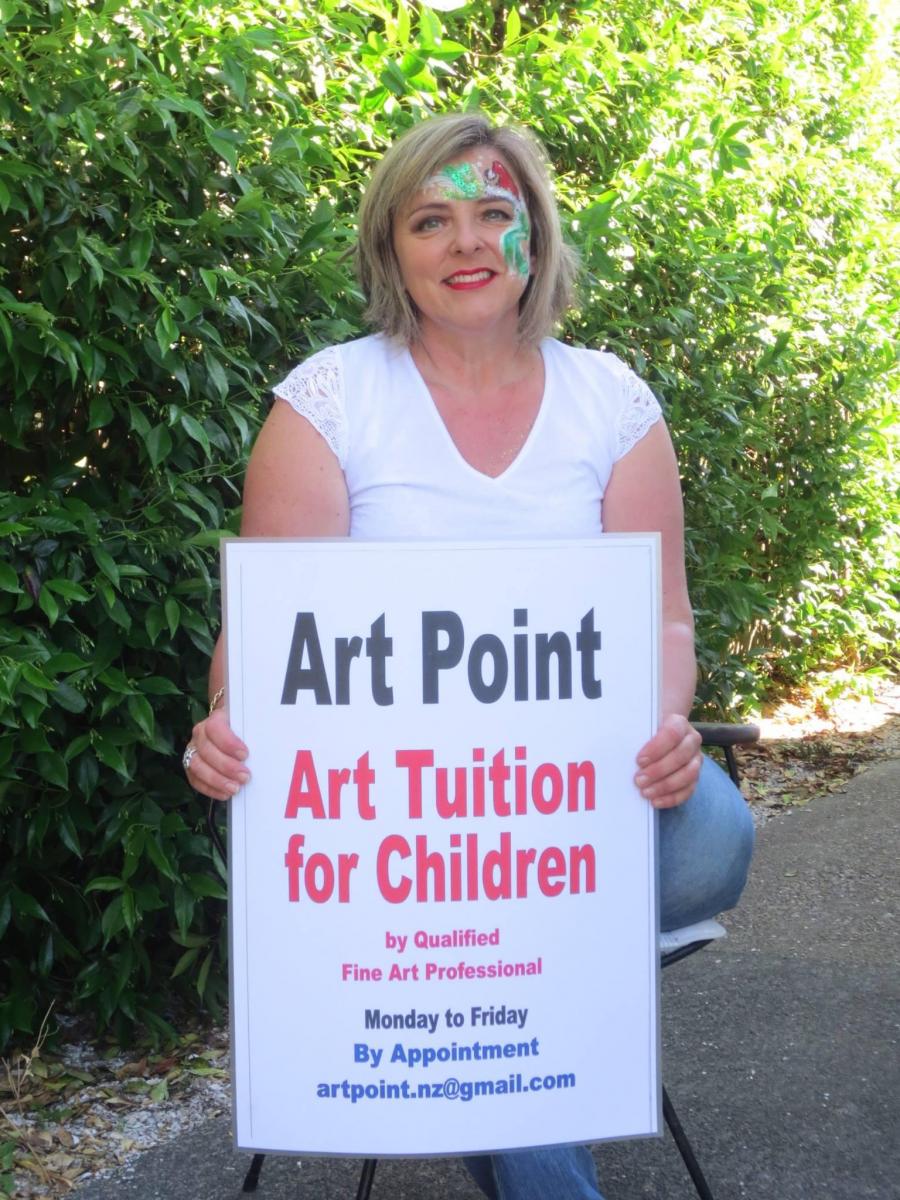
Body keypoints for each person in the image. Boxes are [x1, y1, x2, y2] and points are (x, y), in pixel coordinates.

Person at [182, 112, 754, 1200]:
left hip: (573, 799)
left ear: (535, 234)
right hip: (393, 823)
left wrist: (667, 725)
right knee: (528, 940)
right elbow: (266, 633)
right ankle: (521, 1023)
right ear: (390, 249)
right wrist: (223, 721)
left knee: (714, 832)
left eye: (494, 212)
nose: (467, 242)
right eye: (430, 221)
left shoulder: (614, 404)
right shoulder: (330, 401)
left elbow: (665, 623)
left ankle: (480, 1005)